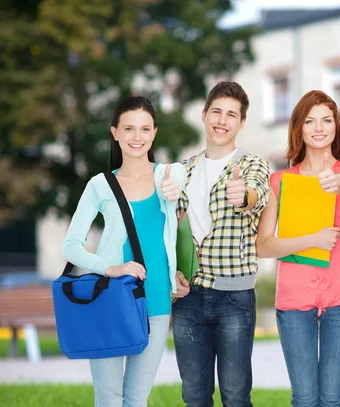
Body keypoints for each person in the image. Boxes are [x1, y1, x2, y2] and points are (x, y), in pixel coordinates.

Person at [62, 96, 189, 407]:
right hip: (111, 298)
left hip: (157, 300)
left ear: (155, 133)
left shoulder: (169, 176)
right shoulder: (100, 185)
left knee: (136, 399)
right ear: (115, 133)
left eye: (145, 129)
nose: (137, 137)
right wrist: (110, 268)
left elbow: (181, 180)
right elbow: (71, 245)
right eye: (129, 129)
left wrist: (175, 190)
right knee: (108, 398)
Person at [256, 90, 340, 407]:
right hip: (294, 299)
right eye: (310, 121)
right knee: (305, 398)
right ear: (299, 128)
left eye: (326, 120)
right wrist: (313, 240)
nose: (319, 128)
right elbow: (264, 246)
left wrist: (339, 183)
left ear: (336, 126)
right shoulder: (279, 181)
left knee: (333, 398)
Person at [171, 81, 271, 407]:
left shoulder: (251, 164)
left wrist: (244, 195)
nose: (222, 120)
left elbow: (258, 193)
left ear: (241, 123)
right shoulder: (182, 171)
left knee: (236, 396)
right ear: (203, 115)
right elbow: (169, 231)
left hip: (234, 298)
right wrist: (172, 272)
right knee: (195, 396)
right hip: (188, 298)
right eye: (217, 111)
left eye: (232, 115)